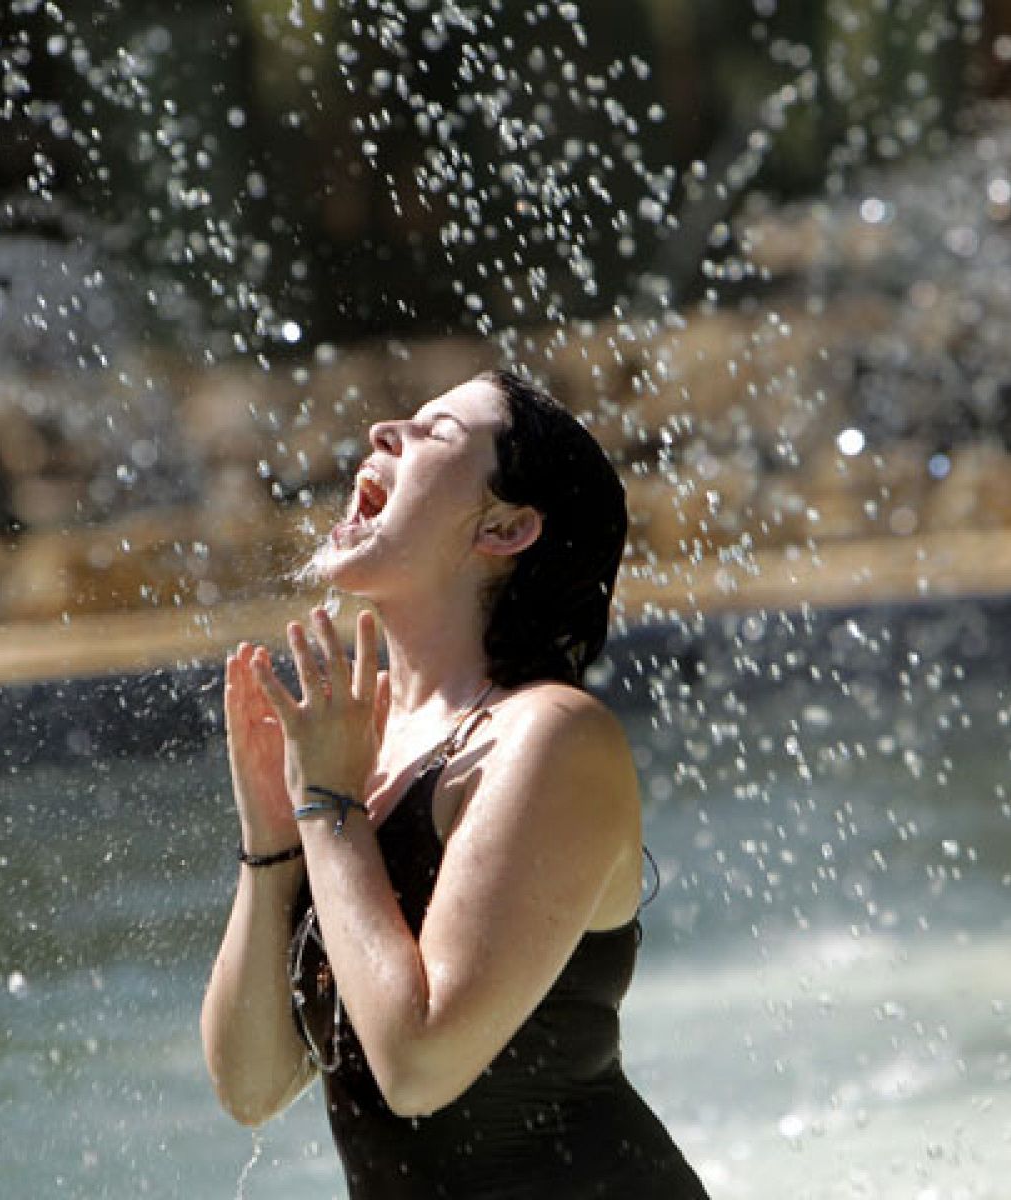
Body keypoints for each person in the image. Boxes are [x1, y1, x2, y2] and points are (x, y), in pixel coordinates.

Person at [201, 369, 710, 1198]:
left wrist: (330, 812)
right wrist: (275, 839)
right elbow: (251, 1088)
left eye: (434, 432)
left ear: (506, 528)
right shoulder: (354, 754)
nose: (382, 432)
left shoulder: (550, 736)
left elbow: (419, 1064)